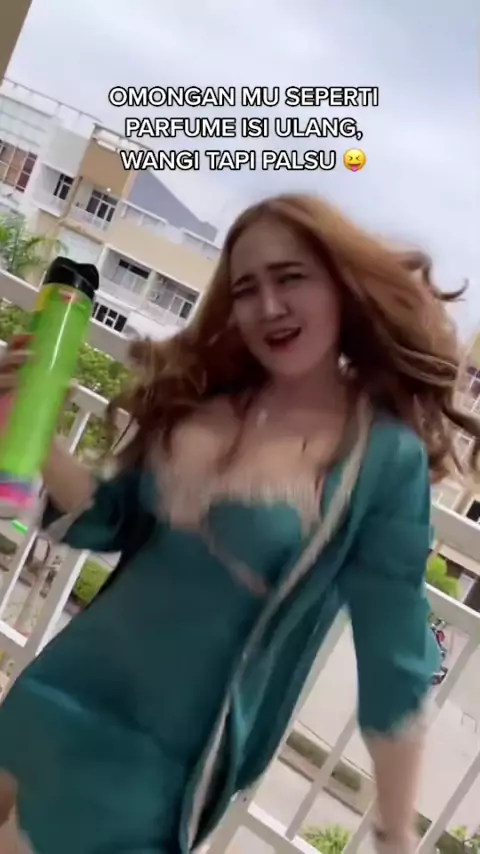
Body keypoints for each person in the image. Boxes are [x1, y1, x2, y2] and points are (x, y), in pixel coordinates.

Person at [0, 193, 477, 854]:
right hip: (55, 691)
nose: (268, 305)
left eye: (291, 277)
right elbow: (106, 521)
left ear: (342, 287)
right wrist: (26, 420)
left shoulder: (380, 459)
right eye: (246, 288)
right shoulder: (211, 403)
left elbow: (395, 656)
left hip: (153, 769)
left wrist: (394, 832)